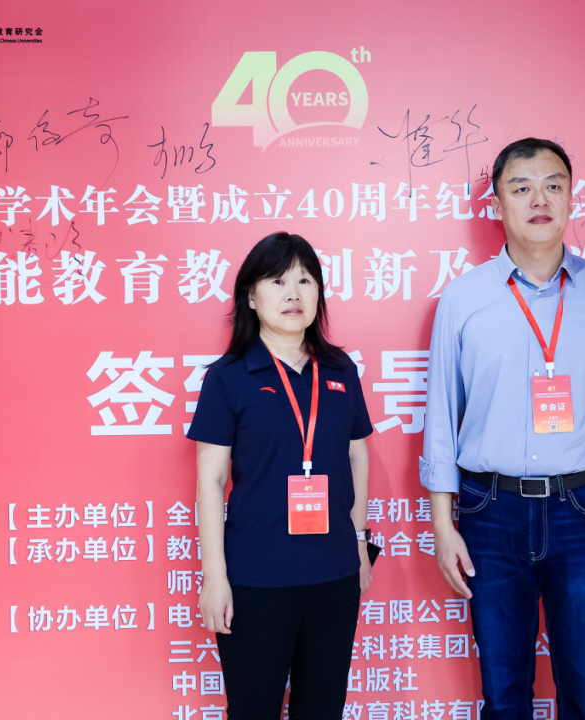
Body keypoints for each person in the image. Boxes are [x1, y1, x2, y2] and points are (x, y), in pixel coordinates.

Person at [420, 138, 585, 720]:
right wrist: (443, 525)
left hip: (584, 512)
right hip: (490, 511)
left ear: (572, 198)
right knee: (504, 698)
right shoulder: (464, 298)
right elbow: (442, 415)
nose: (540, 200)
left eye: (554, 185)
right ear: (497, 205)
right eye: (521, 188)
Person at [188, 232, 375, 720]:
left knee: (323, 709)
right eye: (277, 281)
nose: (293, 293)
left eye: (305, 281)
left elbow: (357, 457)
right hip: (256, 580)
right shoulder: (228, 377)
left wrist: (358, 541)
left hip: (334, 575)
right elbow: (210, 481)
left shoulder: (340, 370)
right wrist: (215, 577)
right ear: (251, 297)